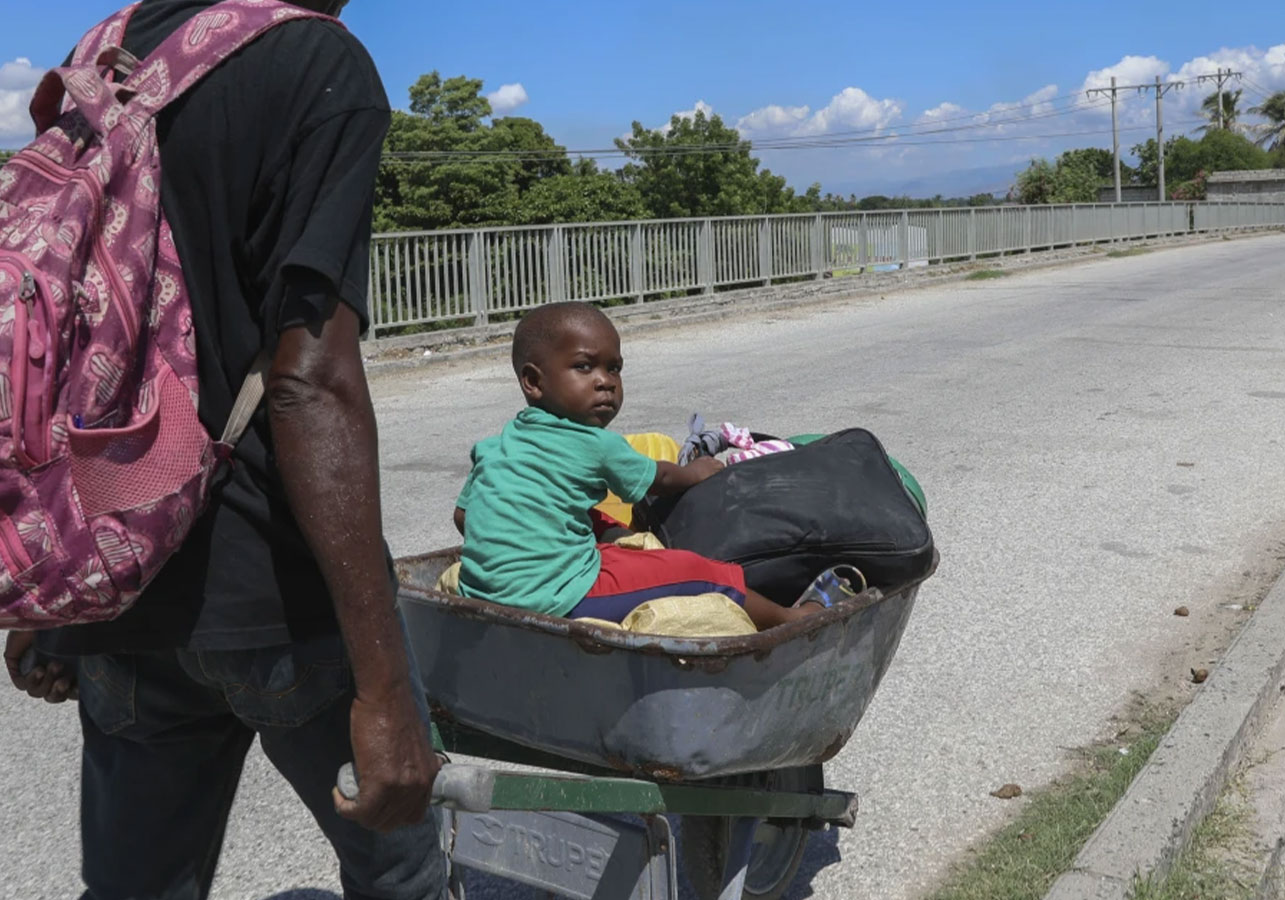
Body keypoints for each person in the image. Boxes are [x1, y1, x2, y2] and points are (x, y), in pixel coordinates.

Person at [2, 2, 448, 898]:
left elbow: (64, 344)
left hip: (119, 567)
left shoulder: (110, 50)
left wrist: (51, 607)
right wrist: (387, 686)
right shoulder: (316, 63)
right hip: (275, 590)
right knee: (401, 874)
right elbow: (309, 377)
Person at [452, 302, 825, 630]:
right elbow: (659, 478)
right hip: (559, 597)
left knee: (591, 520)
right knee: (694, 570)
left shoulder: (495, 445)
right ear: (533, 381)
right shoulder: (595, 444)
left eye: (614, 369)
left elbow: (463, 517)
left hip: (481, 590)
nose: (605, 383)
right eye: (584, 367)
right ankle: (788, 618)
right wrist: (696, 472)